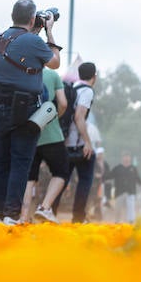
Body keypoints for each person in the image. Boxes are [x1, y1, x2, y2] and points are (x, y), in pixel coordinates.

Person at [0, 0, 62, 224]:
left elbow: (19, 54)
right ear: (32, 19)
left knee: (1, 163)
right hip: (24, 109)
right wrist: (48, 31)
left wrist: (35, 31)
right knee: (20, 162)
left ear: (12, 16)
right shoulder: (33, 41)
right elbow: (55, 63)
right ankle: (11, 215)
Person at [25, 64, 69, 223]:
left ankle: (23, 217)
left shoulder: (22, 75)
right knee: (61, 172)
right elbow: (63, 103)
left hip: (28, 133)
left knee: (29, 178)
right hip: (51, 134)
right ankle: (44, 208)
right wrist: (54, 117)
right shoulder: (52, 75)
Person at [59, 62, 98, 222]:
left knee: (62, 179)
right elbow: (79, 117)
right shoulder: (87, 91)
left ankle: (50, 210)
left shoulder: (72, 89)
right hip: (78, 144)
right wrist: (87, 142)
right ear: (94, 76)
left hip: (65, 141)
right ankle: (78, 216)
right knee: (85, 180)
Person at [109, 153, 141, 223]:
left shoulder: (133, 168)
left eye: (128, 157)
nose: (126, 158)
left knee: (131, 207)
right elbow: (109, 176)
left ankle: (131, 221)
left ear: (130, 158)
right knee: (118, 208)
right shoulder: (117, 168)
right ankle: (117, 221)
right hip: (119, 192)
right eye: (125, 157)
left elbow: (138, 178)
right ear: (122, 158)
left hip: (130, 191)